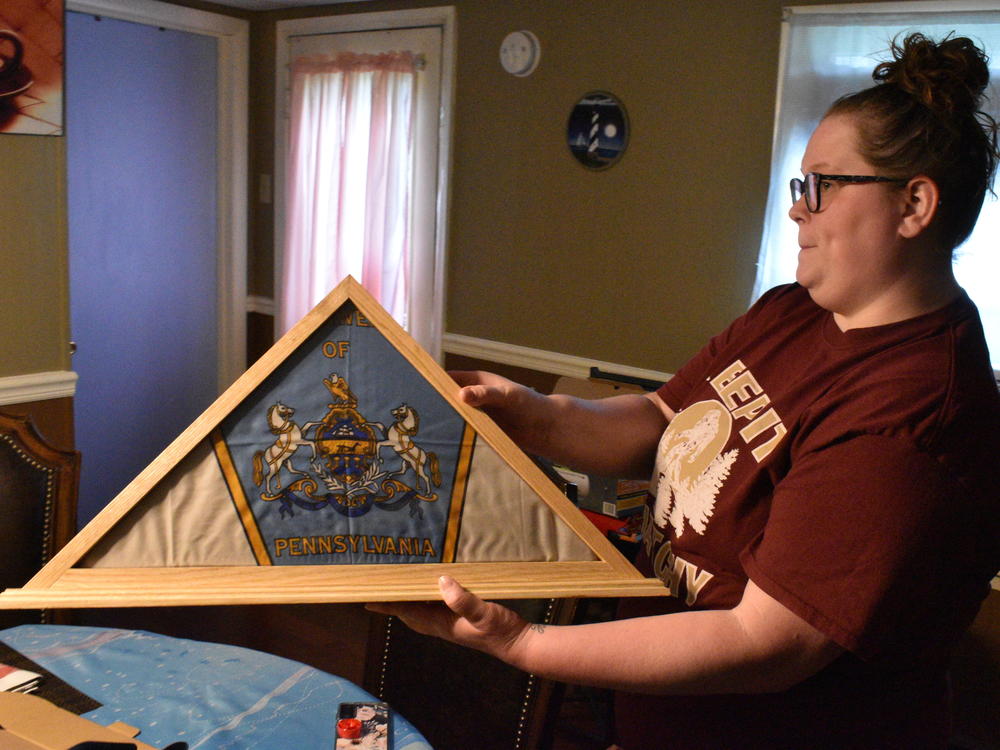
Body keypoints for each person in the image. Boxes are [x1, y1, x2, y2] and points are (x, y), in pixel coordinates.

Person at [368, 33, 1000, 749]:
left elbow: (767, 642)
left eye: (820, 186)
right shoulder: (791, 312)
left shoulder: (916, 407)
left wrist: (523, 644)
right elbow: (658, 416)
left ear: (914, 204)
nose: (798, 210)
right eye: (800, 187)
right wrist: (530, 412)